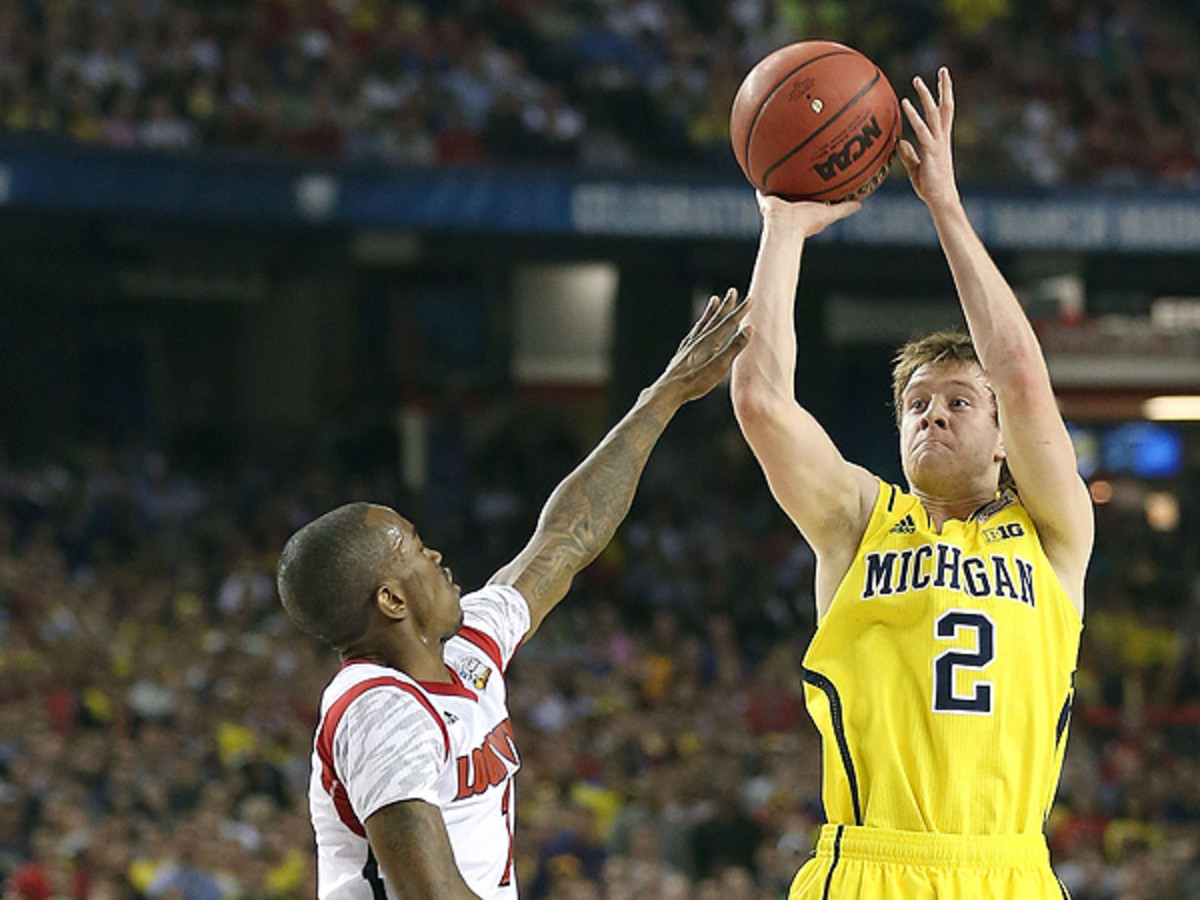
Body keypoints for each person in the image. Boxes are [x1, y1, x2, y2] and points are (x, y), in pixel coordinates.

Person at [730, 67, 1093, 899]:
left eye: (960, 402)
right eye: (917, 404)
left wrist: (945, 205)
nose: (933, 415)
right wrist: (783, 225)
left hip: (1010, 871)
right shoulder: (859, 520)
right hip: (869, 868)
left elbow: (1023, 375)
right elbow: (759, 399)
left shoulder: (1057, 530)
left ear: (1004, 440)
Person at [276, 291, 751, 900]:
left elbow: (567, 537)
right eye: (416, 548)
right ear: (391, 601)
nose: (436, 556)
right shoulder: (380, 711)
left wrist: (662, 396)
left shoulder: (467, 646)